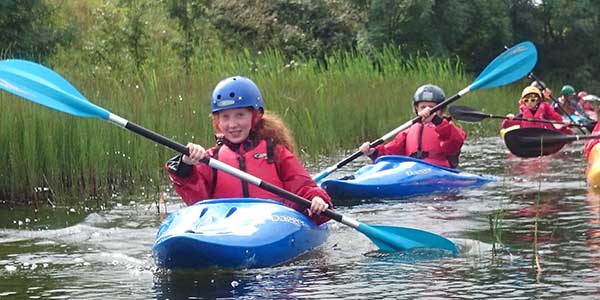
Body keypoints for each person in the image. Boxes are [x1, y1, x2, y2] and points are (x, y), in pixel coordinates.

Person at [165, 76, 332, 225]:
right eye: (225, 117)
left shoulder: (276, 153)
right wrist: (187, 163)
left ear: (255, 116)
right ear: (217, 122)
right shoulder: (211, 159)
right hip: (226, 226)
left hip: (272, 224)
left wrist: (316, 199)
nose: (232, 124)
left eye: (240, 115)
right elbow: (194, 197)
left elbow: (303, 187)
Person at [358, 84, 466, 168]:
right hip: (412, 170)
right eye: (423, 107)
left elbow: (454, 143)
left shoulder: (450, 129)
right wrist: (373, 152)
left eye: (432, 107)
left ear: (441, 110)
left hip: (440, 171)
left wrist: (436, 120)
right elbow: (390, 154)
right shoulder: (408, 132)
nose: (427, 110)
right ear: (416, 109)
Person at [502, 86, 572, 134]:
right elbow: (505, 125)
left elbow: (554, 116)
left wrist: (562, 122)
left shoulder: (544, 110)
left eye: (532, 100)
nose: (529, 103)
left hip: (544, 133)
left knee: (568, 131)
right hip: (528, 135)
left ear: (538, 100)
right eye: (526, 100)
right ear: (523, 101)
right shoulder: (522, 115)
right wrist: (508, 119)